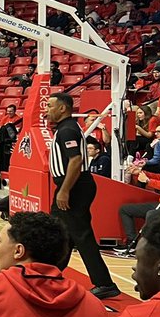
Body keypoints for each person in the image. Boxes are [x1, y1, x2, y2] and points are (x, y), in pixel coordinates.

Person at [45, 92, 119, 299]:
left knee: (81, 235)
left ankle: (104, 283)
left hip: (75, 185)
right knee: (63, 232)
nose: (46, 109)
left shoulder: (67, 130)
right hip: (75, 184)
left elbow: (75, 161)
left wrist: (65, 190)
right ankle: (50, 274)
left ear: (62, 108)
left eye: (50, 106)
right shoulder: (65, 128)